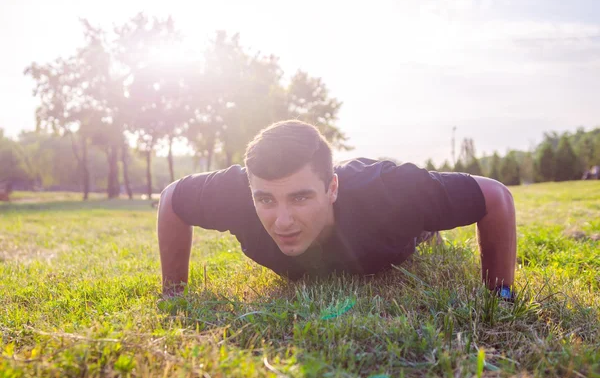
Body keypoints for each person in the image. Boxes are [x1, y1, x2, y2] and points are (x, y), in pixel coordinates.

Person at [157, 120, 516, 300]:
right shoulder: (234, 193)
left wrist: (500, 294)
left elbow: (496, 197)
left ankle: (429, 230)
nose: (282, 222)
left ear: (331, 189)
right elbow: (173, 198)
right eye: (265, 199)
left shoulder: (393, 193)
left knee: (424, 228)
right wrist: (174, 292)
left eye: (300, 198)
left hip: (393, 223)